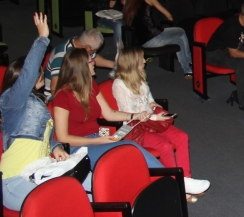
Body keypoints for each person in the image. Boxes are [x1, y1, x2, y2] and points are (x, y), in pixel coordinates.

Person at [52, 48, 169, 191]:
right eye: (91, 61)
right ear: (81, 67)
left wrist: (134, 116)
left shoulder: (91, 85)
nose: (94, 63)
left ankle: (165, 183)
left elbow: (110, 114)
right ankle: (169, 181)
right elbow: (63, 138)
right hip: (79, 148)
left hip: (96, 138)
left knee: (129, 151)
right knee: (128, 149)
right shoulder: (63, 96)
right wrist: (97, 141)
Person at [112, 47, 210, 201]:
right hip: (135, 127)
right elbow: (130, 113)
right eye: (141, 59)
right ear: (132, 62)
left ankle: (185, 179)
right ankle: (175, 185)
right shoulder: (119, 84)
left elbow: (149, 99)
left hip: (151, 121)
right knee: (164, 146)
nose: (144, 61)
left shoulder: (140, 76)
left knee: (182, 137)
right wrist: (154, 118)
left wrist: (155, 106)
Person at [0, 14, 70, 210]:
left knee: (80, 191)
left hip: (39, 173)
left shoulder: (37, 103)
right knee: (58, 205)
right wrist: (42, 38)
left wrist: (55, 147)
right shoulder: (12, 102)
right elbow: (28, 75)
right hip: (14, 181)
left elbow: (42, 137)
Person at [123, 0, 193, 77]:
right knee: (181, 31)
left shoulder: (129, 5)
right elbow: (169, 16)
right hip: (155, 38)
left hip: (142, 42)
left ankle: (188, 71)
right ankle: (190, 60)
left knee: (179, 41)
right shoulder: (150, 0)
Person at [206, 0, 244, 109]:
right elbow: (234, 54)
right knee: (240, 64)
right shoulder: (232, 27)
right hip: (216, 53)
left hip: (234, 47)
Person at [44, 28, 115, 98]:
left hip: (74, 86)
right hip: (55, 96)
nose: (95, 52)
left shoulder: (78, 42)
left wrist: (114, 65)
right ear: (87, 48)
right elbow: (54, 88)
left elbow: (93, 57)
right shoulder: (61, 55)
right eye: (94, 50)